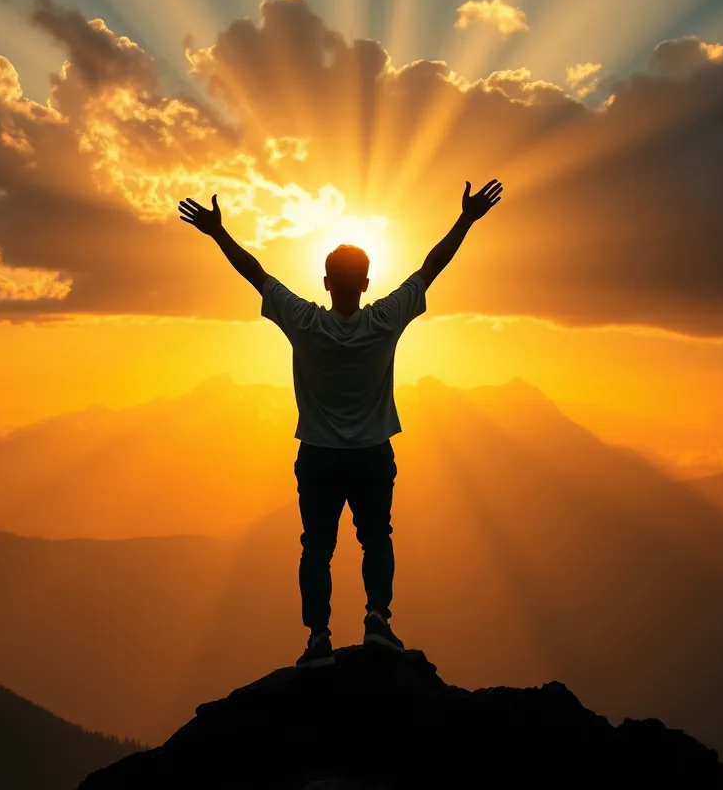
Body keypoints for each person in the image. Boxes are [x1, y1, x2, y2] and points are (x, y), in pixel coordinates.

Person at [178, 179, 503, 667]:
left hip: (318, 456)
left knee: (317, 548)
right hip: (372, 453)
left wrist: (218, 234)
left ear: (327, 282)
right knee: (376, 536)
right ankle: (377, 621)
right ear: (367, 282)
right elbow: (431, 267)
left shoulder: (304, 322)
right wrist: (467, 219)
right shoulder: (385, 320)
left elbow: (257, 274)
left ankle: (317, 640)